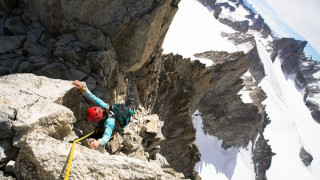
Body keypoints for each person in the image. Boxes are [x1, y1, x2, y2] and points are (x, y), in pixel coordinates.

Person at [72, 80, 133, 150]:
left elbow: (107, 136)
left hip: (114, 124)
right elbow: (92, 97)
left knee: (99, 135)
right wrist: (82, 88)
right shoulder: (104, 106)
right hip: (110, 119)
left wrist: (98, 142)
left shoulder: (110, 122)